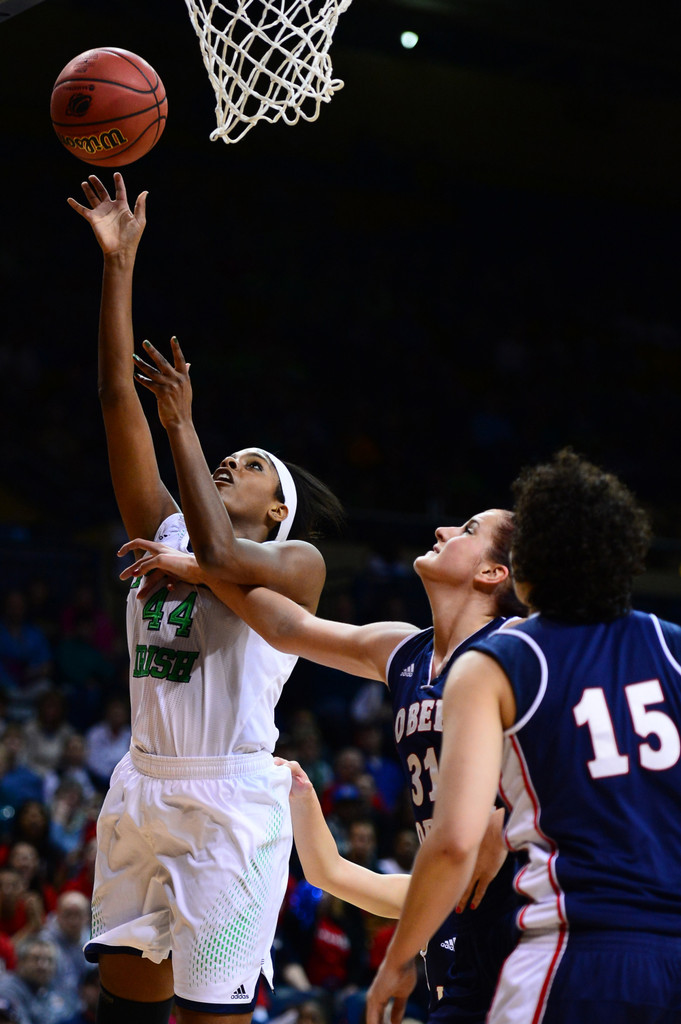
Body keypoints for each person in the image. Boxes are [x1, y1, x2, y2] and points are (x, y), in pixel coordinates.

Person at [67, 171, 344, 1024]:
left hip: (229, 805)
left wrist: (184, 426)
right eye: (234, 454)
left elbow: (222, 557)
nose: (236, 461)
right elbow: (119, 398)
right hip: (144, 785)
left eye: (256, 466)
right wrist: (119, 265)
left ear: (278, 510)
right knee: (124, 1006)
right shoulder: (168, 526)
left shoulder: (294, 562)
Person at [119, 504, 526, 1022]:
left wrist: (509, 818)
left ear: (493, 573)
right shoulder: (403, 651)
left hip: (528, 918)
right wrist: (197, 570)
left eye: (468, 530)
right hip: (455, 932)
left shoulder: (520, 650)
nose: (443, 529)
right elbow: (288, 628)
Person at [365, 448, 681, 1024]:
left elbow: (453, 842)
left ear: (523, 568)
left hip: (570, 950)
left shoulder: (502, 659)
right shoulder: (671, 647)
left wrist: (399, 957)